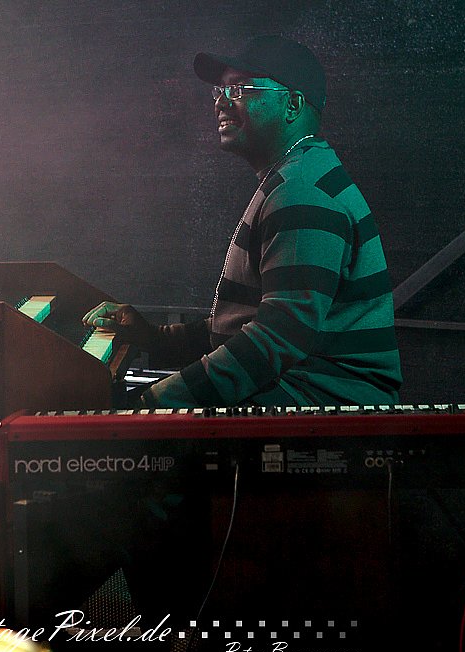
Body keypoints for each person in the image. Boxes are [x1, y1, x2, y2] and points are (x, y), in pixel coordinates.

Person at [84, 35, 402, 408]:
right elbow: (244, 325)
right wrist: (153, 338)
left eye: (238, 89)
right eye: (220, 90)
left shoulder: (301, 191)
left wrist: (152, 402)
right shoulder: (297, 176)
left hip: (324, 408)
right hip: (301, 393)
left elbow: (275, 340)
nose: (220, 101)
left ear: (292, 104)